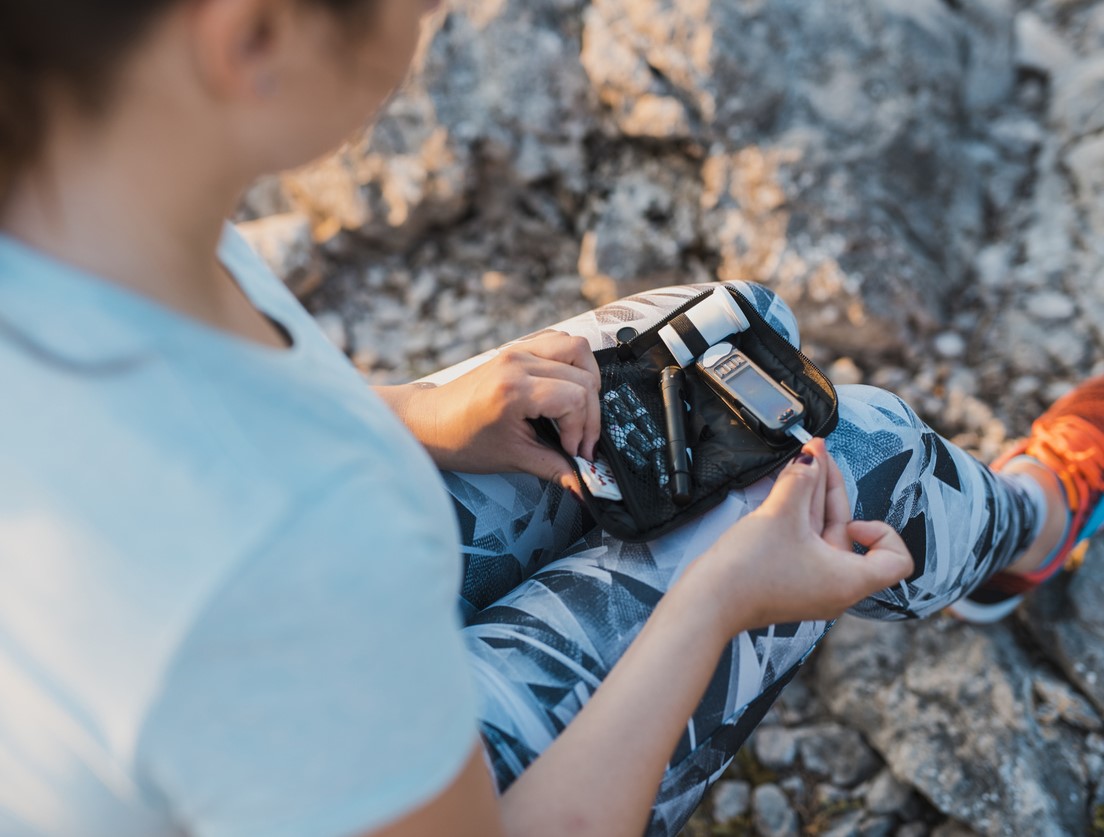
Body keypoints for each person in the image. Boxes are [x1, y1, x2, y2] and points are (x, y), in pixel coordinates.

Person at [0, 1, 1099, 836]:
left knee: (722, 330)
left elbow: (225, 419)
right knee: (855, 450)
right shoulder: (284, 556)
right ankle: (1032, 530)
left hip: (279, 680)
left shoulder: (75, 195)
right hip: (392, 759)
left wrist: (424, 416)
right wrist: (720, 603)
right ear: (248, 39)